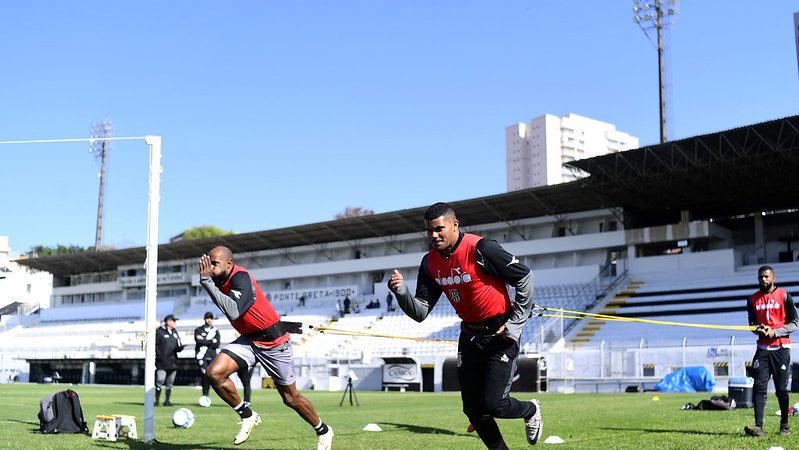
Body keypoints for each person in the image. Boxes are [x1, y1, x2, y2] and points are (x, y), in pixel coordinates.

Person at [387, 202, 541, 449]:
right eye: (429, 231)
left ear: (455, 225)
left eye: (439, 229)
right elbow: (420, 312)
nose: (434, 235)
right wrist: (401, 292)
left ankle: (531, 410)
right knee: (472, 409)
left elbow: (524, 277)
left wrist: (515, 324)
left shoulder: (482, 248)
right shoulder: (429, 263)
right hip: (469, 336)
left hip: (501, 335)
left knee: (495, 405)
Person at [199, 246, 333, 448]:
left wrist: (206, 282)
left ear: (229, 263)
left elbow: (234, 311)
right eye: (209, 263)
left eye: (215, 264)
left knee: (290, 398)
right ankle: (248, 415)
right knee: (214, 373)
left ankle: (323, 430)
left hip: (273, 343)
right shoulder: (218, 280)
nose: (210, 268)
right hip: (249, 340)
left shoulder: (241, 277)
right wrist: (209, 280)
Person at [744, 265, 798, 437]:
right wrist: (758, 329)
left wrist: (775, 332)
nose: (763, 280)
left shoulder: (784, 296)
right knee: (759, 386)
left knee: (781, 389)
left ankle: (784, 425)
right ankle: (758, 426)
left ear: (774, 278)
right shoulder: (752, 299)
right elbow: (751, 324)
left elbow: (795, 323)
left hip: (781, 348)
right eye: (760, 277)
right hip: (762, 349)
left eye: (767, 277)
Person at [155, 314, 184, 407]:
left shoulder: (175, 332)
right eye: (173, 321)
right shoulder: (159, 332)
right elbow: (155, 346)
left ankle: (167, 400)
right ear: (168, 322)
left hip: (173, 362)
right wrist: (159, 356)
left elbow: (178, 345)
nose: (175, 323)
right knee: (160, 380)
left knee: (170, 383)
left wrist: (181, 348)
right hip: (162, 362)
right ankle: (157, 401)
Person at [195, 311, 221, 407]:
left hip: (213, 356)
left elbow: (217, 344)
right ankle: (205, 396)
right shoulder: (198, 330)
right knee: (204, 375)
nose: (209, 320)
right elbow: (198, 341)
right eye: (207, 318)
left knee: (212, 376)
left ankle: (207, 396)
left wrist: (204, 340)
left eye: (211, 318)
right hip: (202, 356)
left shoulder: (215, 330)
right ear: (204, 319)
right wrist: (211, 341)